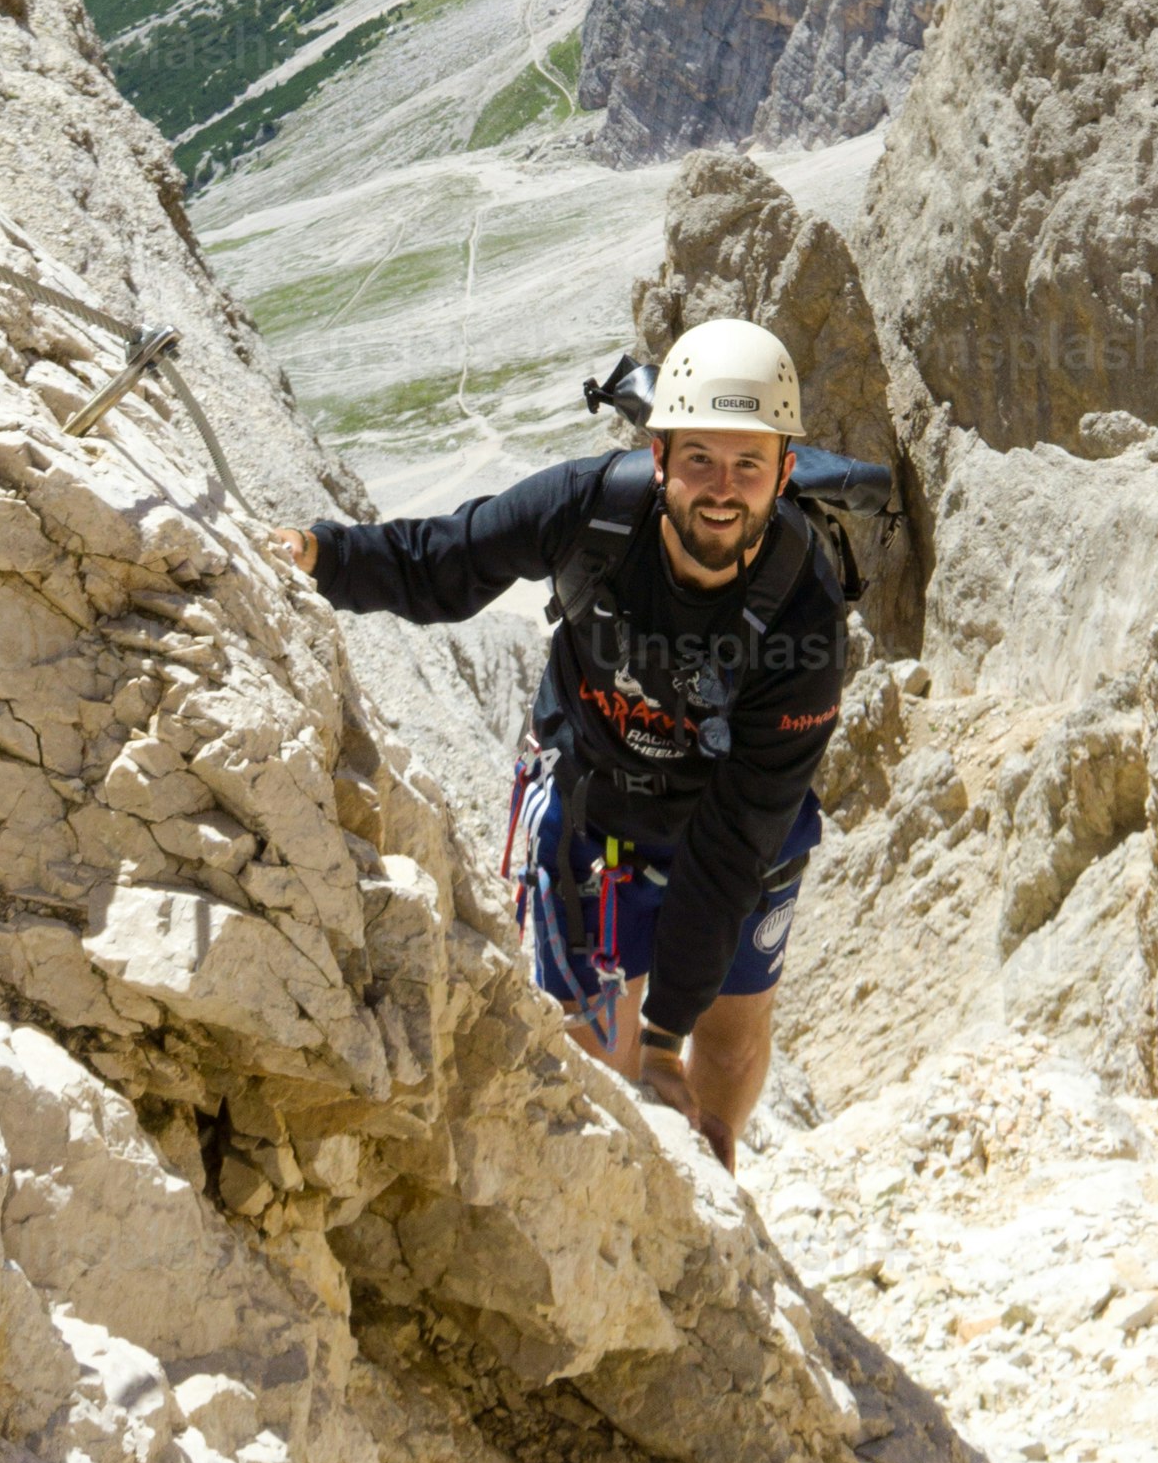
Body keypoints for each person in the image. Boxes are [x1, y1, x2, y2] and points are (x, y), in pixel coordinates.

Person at [267, 318, 847, 1169]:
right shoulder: (588, 509)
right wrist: (320, 555)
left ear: (782, 473)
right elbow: (444, 563)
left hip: (738, 839)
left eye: (747, 465)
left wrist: (665, 1035)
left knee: (722, 1044)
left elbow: (732, 844)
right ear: (658, 458)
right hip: (598, 819)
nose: (721, 489)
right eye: (698, 461)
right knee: (598, 1074)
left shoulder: (805, 616)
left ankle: (720, 1205)